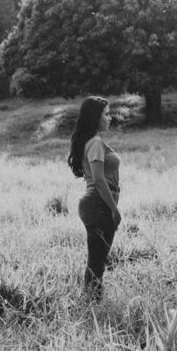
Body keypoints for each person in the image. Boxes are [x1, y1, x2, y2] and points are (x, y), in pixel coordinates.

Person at [67, 96, 121, 302]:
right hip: (98, 204)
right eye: (106, 114)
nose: (110, 118)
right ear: (95, 118)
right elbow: (98, 180)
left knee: (97, 260)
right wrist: (114, 209)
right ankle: (91, 304)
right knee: (97, 261)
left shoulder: (91, 142)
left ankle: (91, 301)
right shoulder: (96, 143)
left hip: (95, 204)